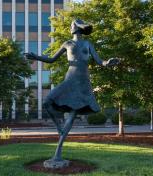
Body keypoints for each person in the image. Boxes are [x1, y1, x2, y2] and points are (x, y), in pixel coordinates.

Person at [24, 19, 119, 164]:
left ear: (78, 28)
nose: (70, 27)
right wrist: (36, 57)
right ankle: (60, 129)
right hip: (70, 79)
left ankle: (58, 153)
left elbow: (100, 61)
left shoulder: (88, 44)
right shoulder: (67, 43)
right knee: (47, 101)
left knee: (73, 113)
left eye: (71, 25)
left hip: (83, 82)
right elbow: (51, 59)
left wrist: (108, 63)